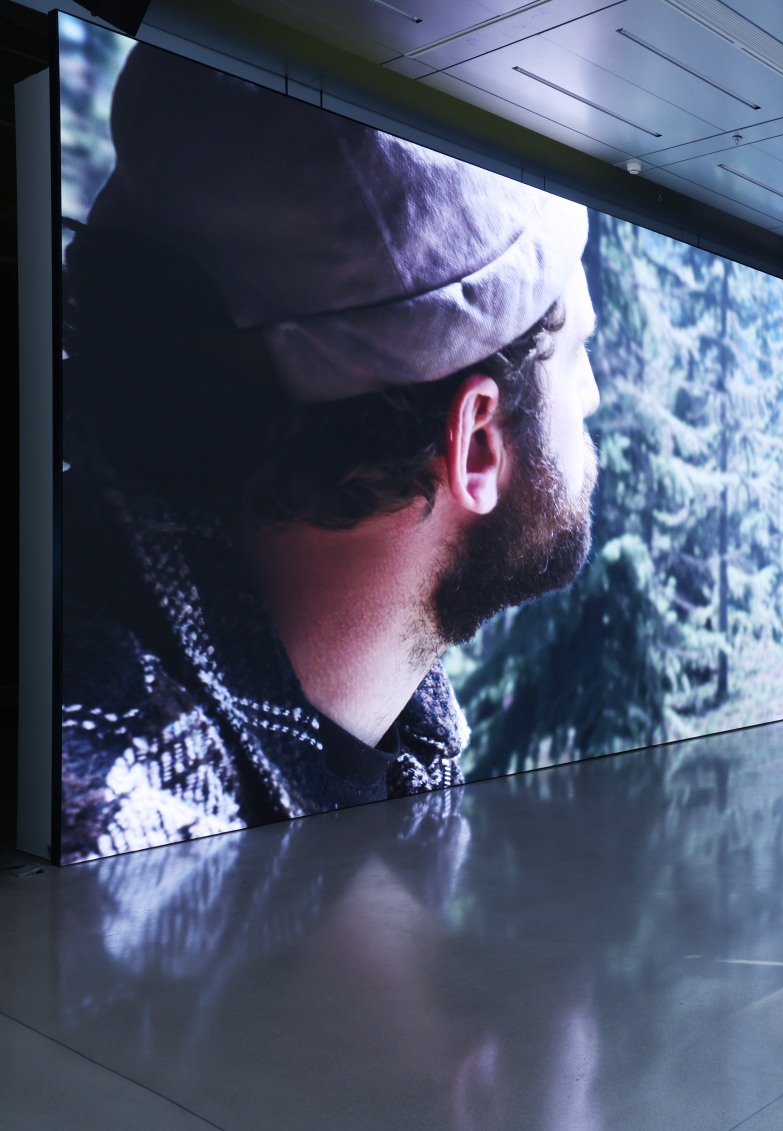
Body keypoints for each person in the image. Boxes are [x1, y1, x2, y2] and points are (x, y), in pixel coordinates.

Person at [57, 43, 599, 863]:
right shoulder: (123, 840)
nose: (595, 396)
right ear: (477, 442)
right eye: (580, 353)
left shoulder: (360, 748)